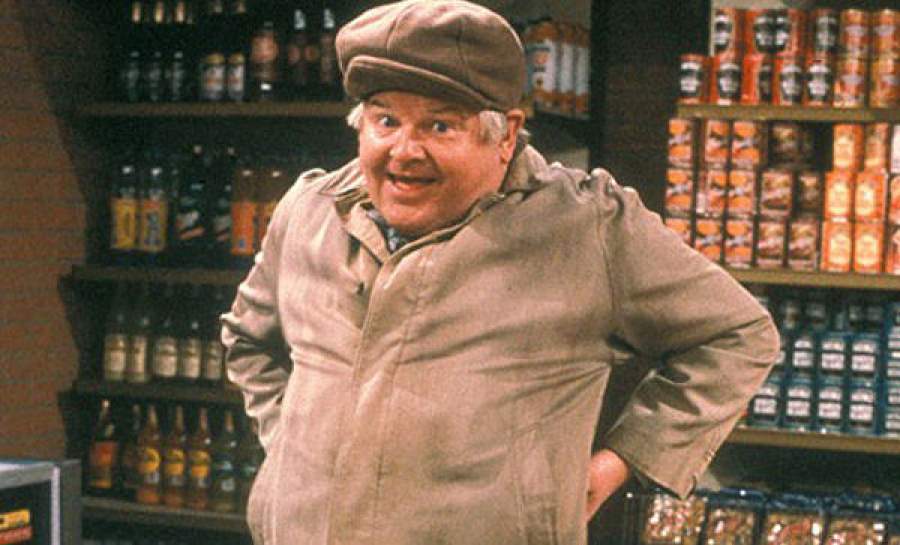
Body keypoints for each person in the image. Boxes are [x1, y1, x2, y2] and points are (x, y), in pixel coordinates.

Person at [221, 1, 779, 544]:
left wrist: (620, 461)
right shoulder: (310, 211)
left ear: (506, 135)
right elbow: (247, 341)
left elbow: (738, 336)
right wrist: (291, 444)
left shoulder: (587, 228)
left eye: (440, 126)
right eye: (385, 121)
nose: (404, 151)